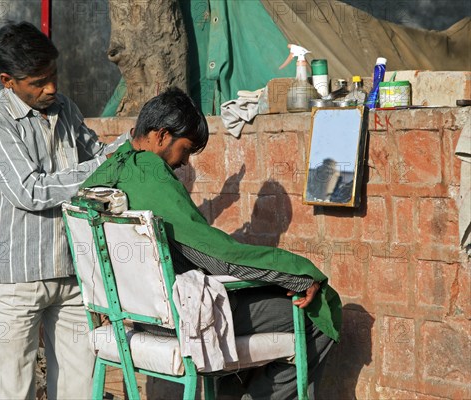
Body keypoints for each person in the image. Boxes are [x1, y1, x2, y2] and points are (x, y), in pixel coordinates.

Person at [82, 87, 342, 399]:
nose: (184, 162)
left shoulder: (107, 171)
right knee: (319, 311)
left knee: (263, 294)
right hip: (181, 319)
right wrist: (299, 273)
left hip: (134, 316)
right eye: (186, 149)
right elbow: (218, 258)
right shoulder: (151, 174)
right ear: (162, 136)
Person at [0, 22, 128, 399]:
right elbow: (29, 190)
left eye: (53, 75)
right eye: (38, 82)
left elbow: (99, 154)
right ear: (8, 81)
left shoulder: (65, 109)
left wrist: (129, 144)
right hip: (16, 279)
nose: (51, 88)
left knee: (80, 387)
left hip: (71, 273)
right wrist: (99, 169)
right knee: (10, 389)